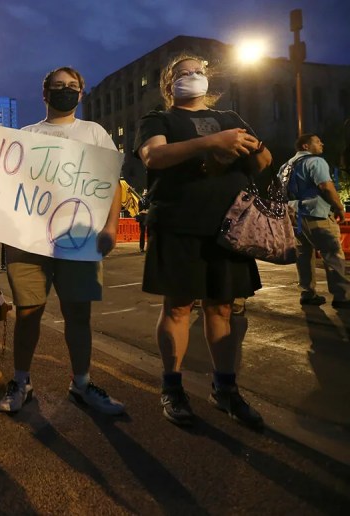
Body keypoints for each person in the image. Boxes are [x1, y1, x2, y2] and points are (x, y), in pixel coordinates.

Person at [0, 66, 125, 415]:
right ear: (45, 94)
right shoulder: (26, 135)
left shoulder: (94, 132)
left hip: (79, 238)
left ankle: (81, 383)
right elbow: (2, 181)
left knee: (78, 315)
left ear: (81, 93)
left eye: (72, 86)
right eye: (58, 86)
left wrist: (111, 227)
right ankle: (22, 381)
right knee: (28, 313)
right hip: (28, 242)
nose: (65, 90)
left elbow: (111, 183)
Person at [135, 54, 271, 429]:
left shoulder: (231, 117)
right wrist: (213, 142)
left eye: (199, 71)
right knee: (178, 307)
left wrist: (249, 148)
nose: (194, 76)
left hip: (229, 228)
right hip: (178, 224)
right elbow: (154, 156)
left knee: (223, 308)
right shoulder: (159, 120)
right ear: (169, 84)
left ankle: (225, 388)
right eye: (184, 73)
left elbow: (264, 159)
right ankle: (172, 387)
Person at [280, 133, 350, 308]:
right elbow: (326, 186)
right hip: (316, 213)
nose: (322, 144)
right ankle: (342, 296)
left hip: (294, 215)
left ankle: (307, 293)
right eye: (318, 142)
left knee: (303, 255)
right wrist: (339, 207)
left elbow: (280, 191)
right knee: (332, 253)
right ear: (305, 146)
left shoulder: (286, 166)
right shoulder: (316, 162)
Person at [136, 189, 149, 253]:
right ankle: (143, 248)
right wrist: (147, 211)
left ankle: (142, 248)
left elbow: (141, 210)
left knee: (144, 233)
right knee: (144, 233)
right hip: (145, 218)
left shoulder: (141, 200)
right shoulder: (141, 201)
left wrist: (145, 211)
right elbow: (141, 210)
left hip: (145, 218)